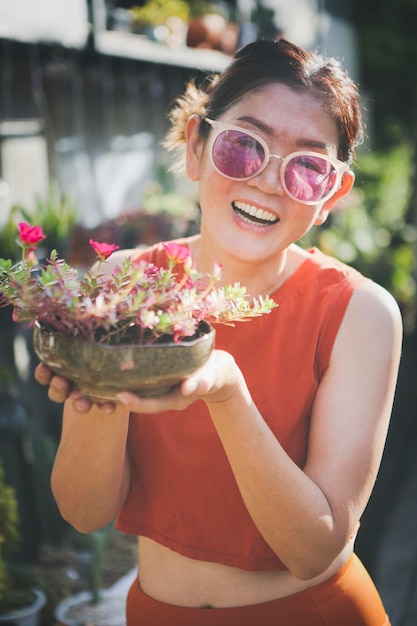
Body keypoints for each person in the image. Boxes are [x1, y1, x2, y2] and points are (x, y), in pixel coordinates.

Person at [35, 39, 402, 625]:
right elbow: (83, 510)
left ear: (332, 195)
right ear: (195, 148)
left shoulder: (360, 312)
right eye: (243, 146)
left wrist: (228, 393)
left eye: (308, 166)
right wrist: (96, 392)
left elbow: (314, 549)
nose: (267, 183)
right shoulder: (122, 284)